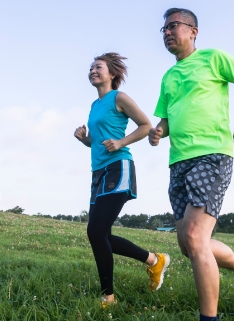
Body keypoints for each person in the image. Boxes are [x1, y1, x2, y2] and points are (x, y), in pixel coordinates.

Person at [148, 8, 234, 321]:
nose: (166, 32)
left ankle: (209, 318)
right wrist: (158, 130)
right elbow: (166, 118)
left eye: (173, 26)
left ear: (193, 31)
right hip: (178, 162)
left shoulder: (213, 58)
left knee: (195, 238)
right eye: (163, 29)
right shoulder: (168, 77)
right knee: (189, 245)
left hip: (213, 155)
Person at [74, 52, 170, 308]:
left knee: (95, 231)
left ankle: (108, 297)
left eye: (98, 67)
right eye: (91, 68)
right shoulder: (95, 106)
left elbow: (145, 125)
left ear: (112, 73)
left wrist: (121, 142)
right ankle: (154, 260)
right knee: (100, 234)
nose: (93, 71)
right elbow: (99, 142)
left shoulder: (120, 97)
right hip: (99, 173)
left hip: (119, 168)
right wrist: (85, 139)